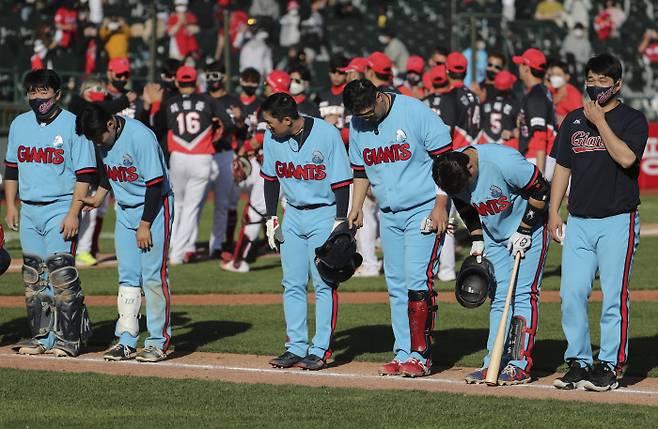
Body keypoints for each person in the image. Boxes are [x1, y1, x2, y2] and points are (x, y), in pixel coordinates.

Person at [549, 53, 648, 392]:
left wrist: (601, 122)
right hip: (579, 220)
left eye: (603, 82)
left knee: (613, 297)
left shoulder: (633, 120)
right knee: (571, 293)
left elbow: (627, 158)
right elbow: (563, 166)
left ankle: (608, 364)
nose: (595, 87)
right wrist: (553, 210)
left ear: (617, 85)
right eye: (591, 80)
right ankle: (578, 361)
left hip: (617, 218)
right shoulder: (573, 120)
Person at [344, 79, 451, 377]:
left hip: (423, 208)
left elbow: (444, 158)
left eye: (368, 111)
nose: (365, 118)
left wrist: (441, 204)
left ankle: (421, 355)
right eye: (359, 114)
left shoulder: (414, 111)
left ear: (380, 96)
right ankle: (403, 351)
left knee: (418, 281)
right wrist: (356, 207)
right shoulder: (357, 124)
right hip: (388, 213)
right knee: (396, 286)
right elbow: (360, 169)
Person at [432, 145, 550, 385]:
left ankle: (519, 364)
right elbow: (464, 206)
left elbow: (542, 189)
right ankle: (494, 361)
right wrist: (476, 237)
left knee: (523, 295)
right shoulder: (453, 173)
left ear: (471, 166)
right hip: (493, 235)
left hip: (530, 228)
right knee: (498, 298)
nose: (464, 191)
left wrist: (525, 229)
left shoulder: (503, 162)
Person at [4, 69, 96, 357]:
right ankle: (43, 338)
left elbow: (85, 175)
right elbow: (11, 168)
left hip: (60, 206)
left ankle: (70, 339)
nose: (38, 98)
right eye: (32, 92)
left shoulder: (73, 125)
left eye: (44, 92)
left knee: (61, 274)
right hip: (29, 208)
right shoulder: (20, 124)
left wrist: (73, 212)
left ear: (58, 95)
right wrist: (10, 205)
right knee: (34, 276)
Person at [75, 104, 174, 363]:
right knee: (128, 277)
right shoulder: (104, 138)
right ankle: (127, 340)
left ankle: (157, 342)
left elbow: (154, 184)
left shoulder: (140, 136)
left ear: (111, 124)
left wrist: (145, 224)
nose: (98, 143)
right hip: (125, 208)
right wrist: (99, 197)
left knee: (153, 276)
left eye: (99, 137)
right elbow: (111, 171)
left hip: (153, 207)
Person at [261, 93, 352, 370]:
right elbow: (270, 178)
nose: (267, 127)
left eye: (271, 122)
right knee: (292, 283)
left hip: (323, 215)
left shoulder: (327, 134)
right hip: (292, 215)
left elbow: (341, 181)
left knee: (324, 282)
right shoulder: (272, 138)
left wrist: (340, 221)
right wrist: (270, 217)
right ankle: (296, 347)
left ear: (288, 120)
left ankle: (321, 349)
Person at [159, 66, 219, 264]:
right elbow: (226, 122)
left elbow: (161, 126)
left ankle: (170, 246)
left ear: (177, 82)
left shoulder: (170, 102)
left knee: (177, 203)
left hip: (178, 156)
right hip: (202, 156)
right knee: (192, 208)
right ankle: (177, 254)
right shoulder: (208, 101)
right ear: (196, 83)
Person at [513, 48, 556, 176]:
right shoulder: (542, 90)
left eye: (521, 64)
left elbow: (540, 136)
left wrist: (540, 173)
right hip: (541, 156)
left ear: (526, 68)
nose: (519, 67)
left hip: (537, 158)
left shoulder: (536, 96)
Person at [440, 52, 480, 149]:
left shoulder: (449, 97)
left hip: (457, 154)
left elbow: (446, 134)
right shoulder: (475, 96)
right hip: (474, 151)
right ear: (465, 72)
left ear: (446, 71)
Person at [477, 71, 520, 146]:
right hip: (507, 148)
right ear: (510, 87)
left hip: (486, 147)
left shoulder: (484, 104)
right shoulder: (515, 105)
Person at [546, 61, 583, 126]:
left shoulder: (573, 94)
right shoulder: (550, 90)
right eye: (552, 74)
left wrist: (563, 119)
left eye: (558, 75)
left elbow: (579, 118)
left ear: (567, 77)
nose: (554, 77)